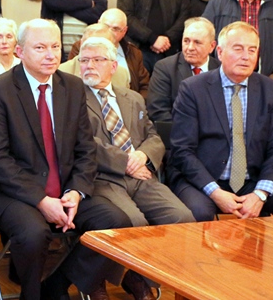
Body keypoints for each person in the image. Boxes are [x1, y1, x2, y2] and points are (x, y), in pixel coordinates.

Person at [0, 18, 132, 300]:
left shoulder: (72, 86)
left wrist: (76, 191)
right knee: (34, 234)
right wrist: (40, 199)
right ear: (20, 51)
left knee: (116, 222)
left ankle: (56, 286)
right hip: (11, 194)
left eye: (55, 46)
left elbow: (86, 149)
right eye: (40, 48)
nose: (50, 55)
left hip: (64, 188)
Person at [80, 37, 194, 300]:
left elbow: (153, 136)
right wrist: (126, 163)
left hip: (142, 175)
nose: (89, 66)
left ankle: (143, 276)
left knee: (182, 217)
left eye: (97, 60)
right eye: (84, 60)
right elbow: (85, 143)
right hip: (103, 178)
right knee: (133, 222)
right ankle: (122, 280)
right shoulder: (74, 98)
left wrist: (143, 155)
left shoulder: (132, 98)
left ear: (113, 65)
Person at [166, 22, 273, 222]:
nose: (246, 56)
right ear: (220, 52)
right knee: (199, 212)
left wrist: (260, 194)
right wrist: (215, 192)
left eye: (252, 50)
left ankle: (266, 243)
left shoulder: (269, 89)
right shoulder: (193, 89)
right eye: (238, 49)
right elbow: (182, 150)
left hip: (251, 179)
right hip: (203, 178)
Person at [147, 17, 220, 122]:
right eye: (186, 41)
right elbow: (158, 112)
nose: (190, 47)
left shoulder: (220, 69)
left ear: (212, 46)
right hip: (178, 130)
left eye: (197, 42)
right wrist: (187, 130)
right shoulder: (165, 68)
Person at [70, 8, 150, 99]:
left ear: (124, 31)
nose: (109, 32)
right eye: (106, 26)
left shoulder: (133, 53)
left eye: (115, 29)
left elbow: (145, 86)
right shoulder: (80, 47)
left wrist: (135, 103)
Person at [59, 23, 129, 90]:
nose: (95, 50)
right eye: (90, 45)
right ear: (81, 44)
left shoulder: (122, 74)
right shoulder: (61, 73)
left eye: (102, 46)